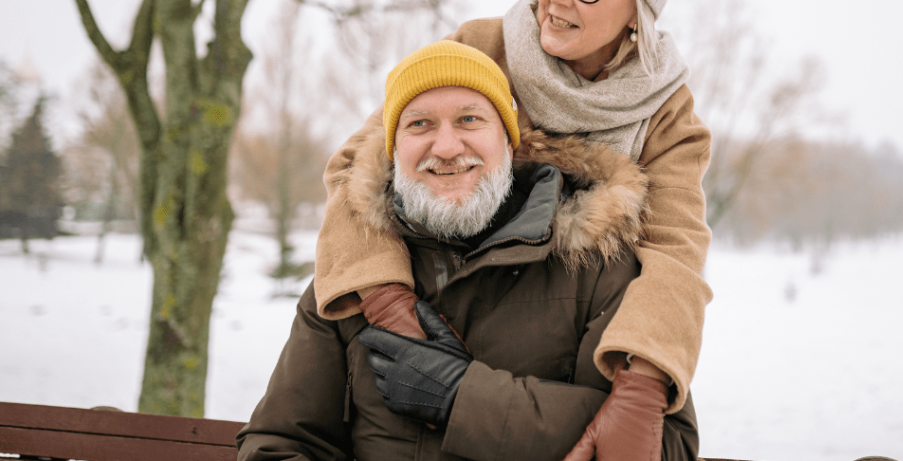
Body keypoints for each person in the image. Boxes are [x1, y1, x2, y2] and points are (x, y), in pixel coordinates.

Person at [314, 0, 713, 458]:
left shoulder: (666, 117)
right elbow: (358, 166)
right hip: (449, 310)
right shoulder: (483, 47)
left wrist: (642, 385)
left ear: (640, 10)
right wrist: (385, 297)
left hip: (564, 341)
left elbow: (676, 253)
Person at [237, 41, 700, 461]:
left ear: (508, 139)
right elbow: (280, 444)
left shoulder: (598, 268)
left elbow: (667, 448)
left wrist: (464, 397)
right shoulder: (353, 277)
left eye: (469, 120)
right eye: (419, 125)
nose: (446, 146)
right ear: (394, 150)